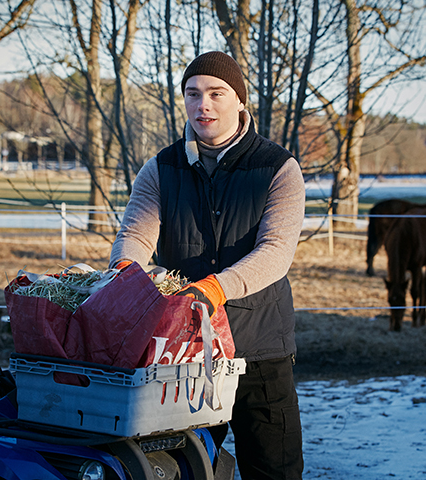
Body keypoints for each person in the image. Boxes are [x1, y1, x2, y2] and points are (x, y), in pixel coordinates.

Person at [110, 51, 305, 479]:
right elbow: (136, 236)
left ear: (240, 102)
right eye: (193, 94)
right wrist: (125, 276)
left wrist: (215, 287)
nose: (204, 105)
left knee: (274, 472)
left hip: (260, 350)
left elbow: (275, 252)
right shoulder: (162, 168)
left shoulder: (277, 168)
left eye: (217, 94)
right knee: (180, 471)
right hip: (182, 357)